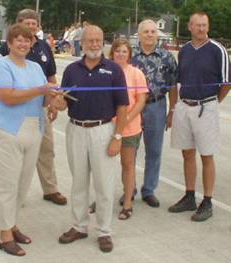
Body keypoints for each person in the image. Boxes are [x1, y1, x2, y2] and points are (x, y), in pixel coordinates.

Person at [53, 25, 129, 252]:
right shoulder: (72, 70)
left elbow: (123, 106)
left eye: (98, 40)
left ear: (103, 42)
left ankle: (104, 231)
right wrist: (58, 103)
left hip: (103, 131)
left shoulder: (114, 70)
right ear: (82, 43)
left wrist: (117, 136)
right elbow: (64, 102)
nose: (94, 44)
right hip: (76, 130)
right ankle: (79, 226)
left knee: (104, 185)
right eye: (90, 41)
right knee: (78, 182)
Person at [0, 23, 59, 256]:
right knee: (6, 184)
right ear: (9, 43)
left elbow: (43, 100)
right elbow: (7, 97)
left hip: (32, 129)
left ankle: (12, 223)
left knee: (22, 183)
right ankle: (4, 235)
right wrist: (40, 90)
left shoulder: (36, 67)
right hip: (6, 130)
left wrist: (53, 98)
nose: (23, 43)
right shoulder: (1, 66)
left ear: (32, 43)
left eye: (27, 40)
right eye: (18, 39)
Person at [0, 9, 67, 206]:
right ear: (17, 25)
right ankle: (17, 194)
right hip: (15, 110)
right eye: (26, 23)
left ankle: (50, 189)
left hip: (41, 109)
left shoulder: (44, 47)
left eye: (34, 24)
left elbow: (51, 77)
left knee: (46, 151)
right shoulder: (6, 48)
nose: (31, 27)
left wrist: (53, 104)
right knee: (18, 154)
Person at [169, 12, 231, 221]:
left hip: (206, 107)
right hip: (185, 106)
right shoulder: (184, 51)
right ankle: (189, 196)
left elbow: (226, 83)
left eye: (205, 25)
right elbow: (178, 81)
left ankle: (207, 200)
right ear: (190, 26)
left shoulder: (218, 50)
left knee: (206, 155)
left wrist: (212, 103)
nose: (201, 29)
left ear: (208, 26)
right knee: (187, 154)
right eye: (197, 25)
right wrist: (175, 108)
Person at [89, 38, 148, 219]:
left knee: (127, 165)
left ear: (129, 54)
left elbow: (141, 100)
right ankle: (101, 199)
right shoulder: (105, 72)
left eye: (124, 51)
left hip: (130, 128)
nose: (120, 54)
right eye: (117, 51)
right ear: (112, 53)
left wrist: (125, 120)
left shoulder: (136, 73)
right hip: (106, 126)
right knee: (103, 167)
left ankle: (128, 202)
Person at [130, 19, 177, 207]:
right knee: (129, 150)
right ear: (139, 34)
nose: (150, 34)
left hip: (156, 106)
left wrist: (172, 110)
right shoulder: (130, 55)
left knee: (154, 151)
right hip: (133, 107)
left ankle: (149, 190)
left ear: (157, 35)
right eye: (146, 31)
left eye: (153, 31)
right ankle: (129, 188)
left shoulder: (166, 57)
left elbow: (173, 86)